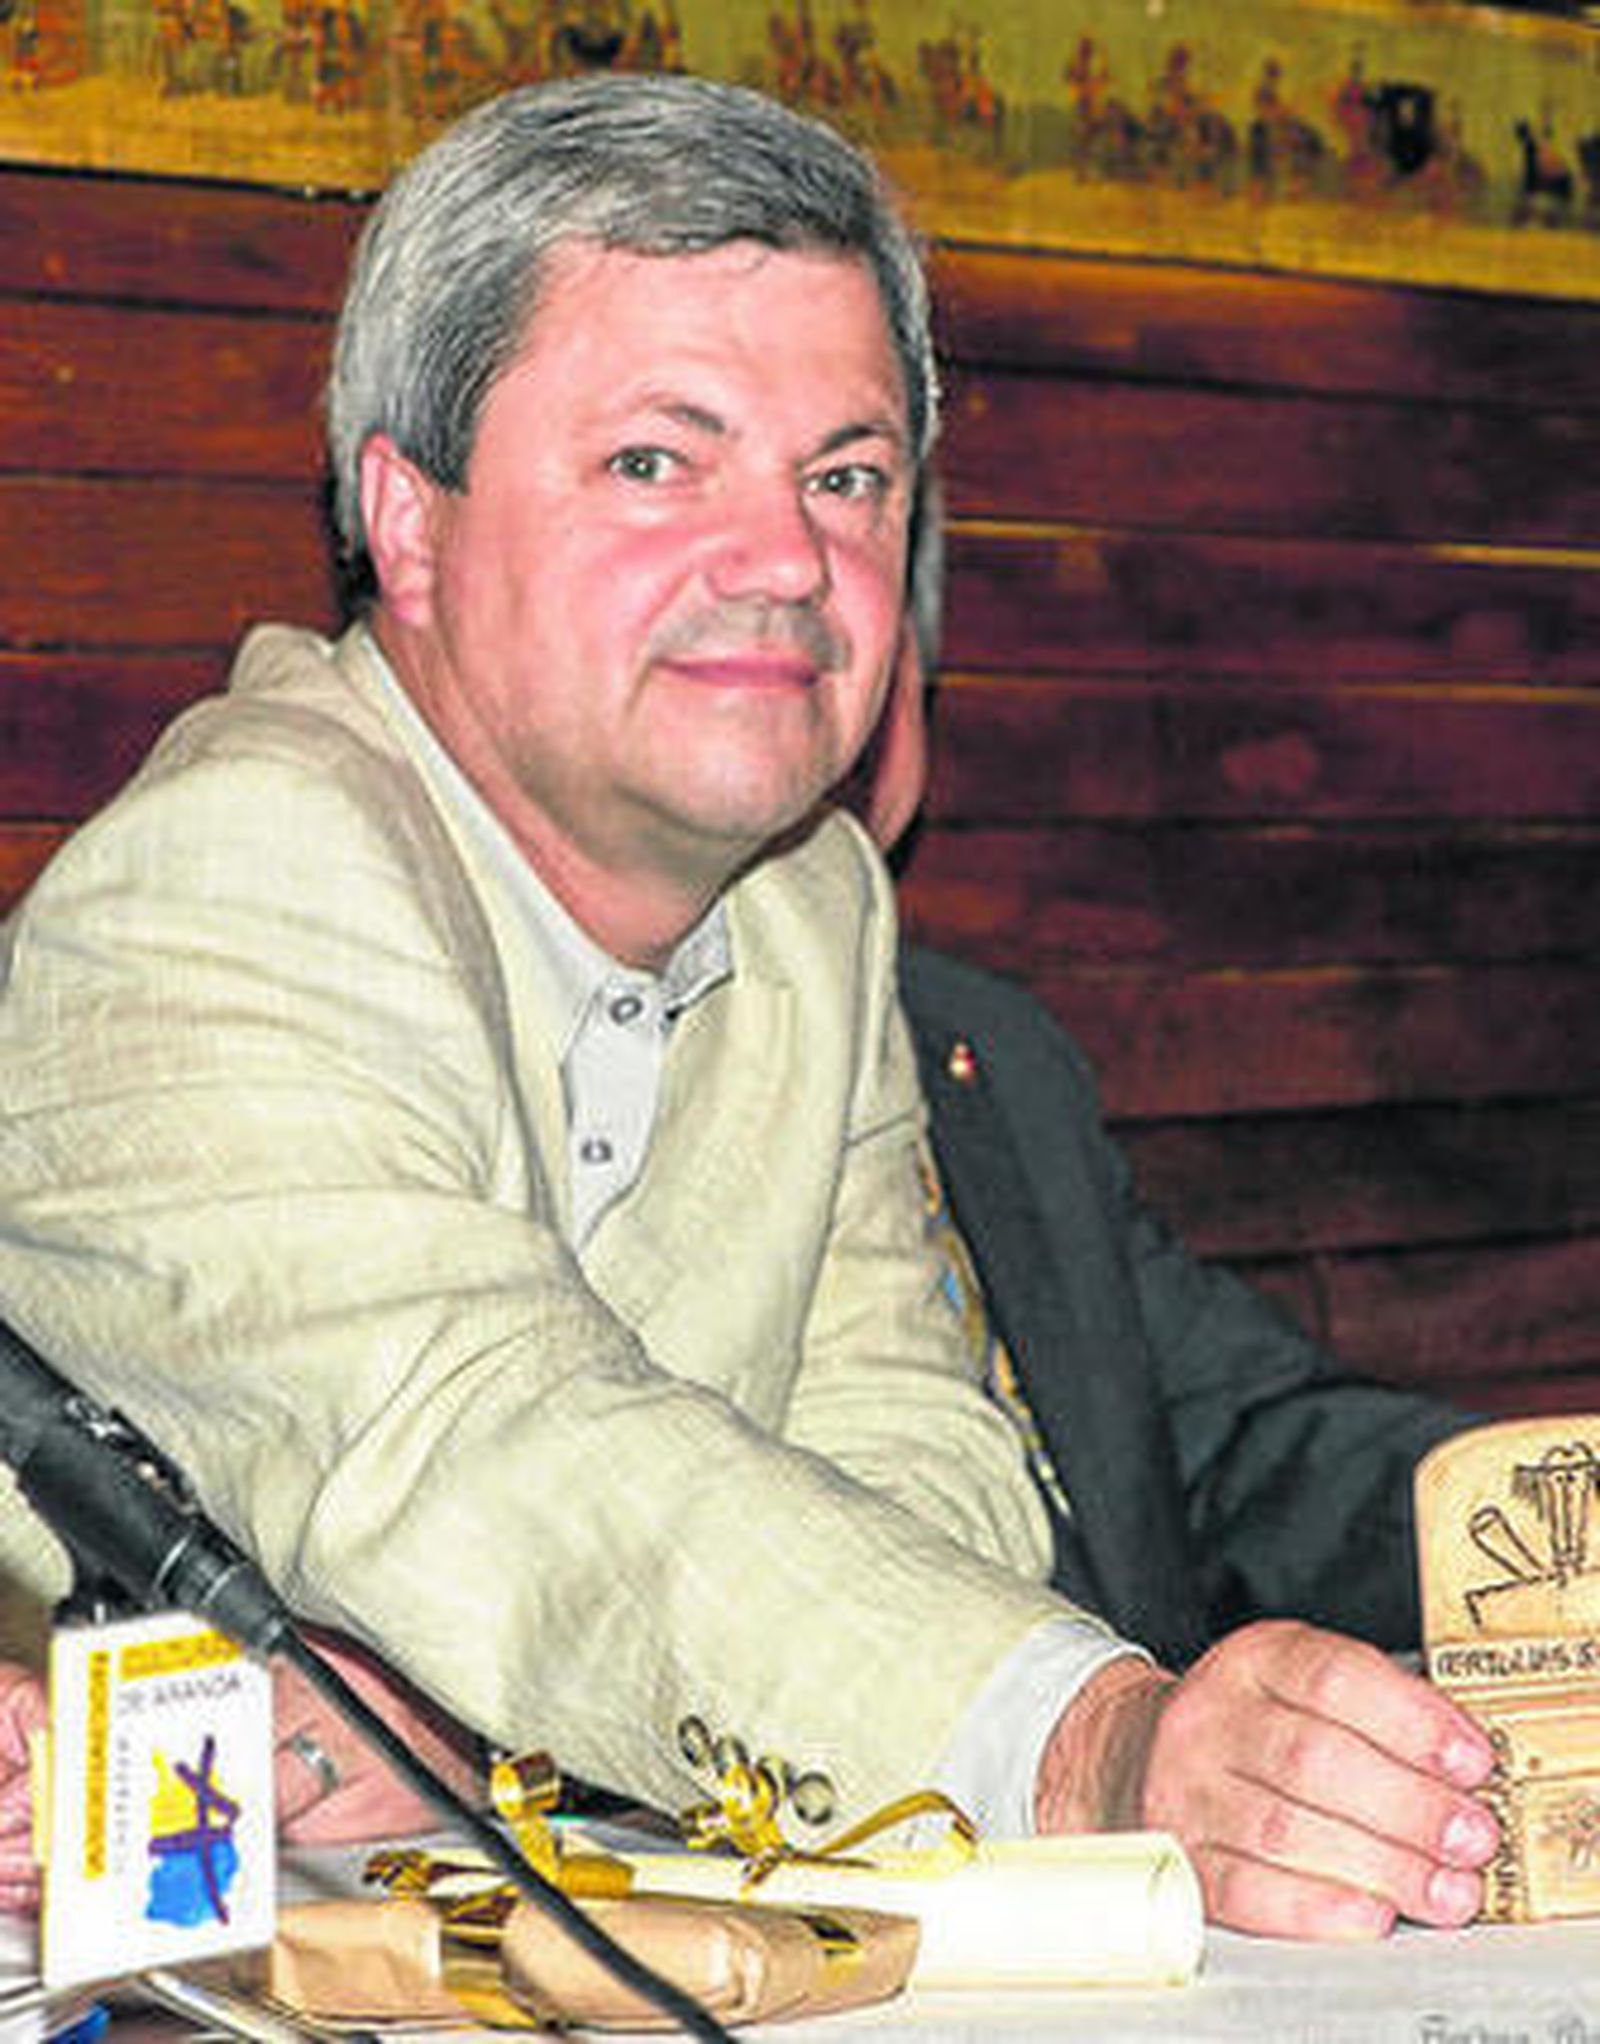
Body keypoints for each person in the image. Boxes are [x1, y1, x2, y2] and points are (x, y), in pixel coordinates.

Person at [0, 73, 1498, 1943]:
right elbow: (495, 1454)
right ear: (409, 519)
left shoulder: (808, 905)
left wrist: (494, 1730)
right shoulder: (224, 878)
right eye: (658, 462)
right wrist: (1088, 1749)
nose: (790, 557)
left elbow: (918, 1466)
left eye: (846, 477)